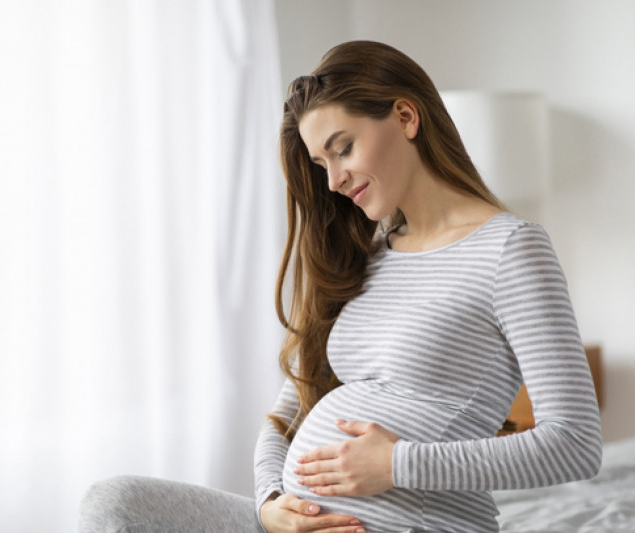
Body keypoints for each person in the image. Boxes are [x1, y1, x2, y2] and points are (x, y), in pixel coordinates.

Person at [79, 40, 602, 533]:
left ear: (405, 116)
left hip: (407, 521)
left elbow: (576, 443)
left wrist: (397, 464)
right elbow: (287, 415)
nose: (333, 181)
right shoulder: (367, 258)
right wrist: (269, 505)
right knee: (114, 504)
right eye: (320, 163)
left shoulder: (511, 249)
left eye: (343, 149)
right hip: (296, 522)